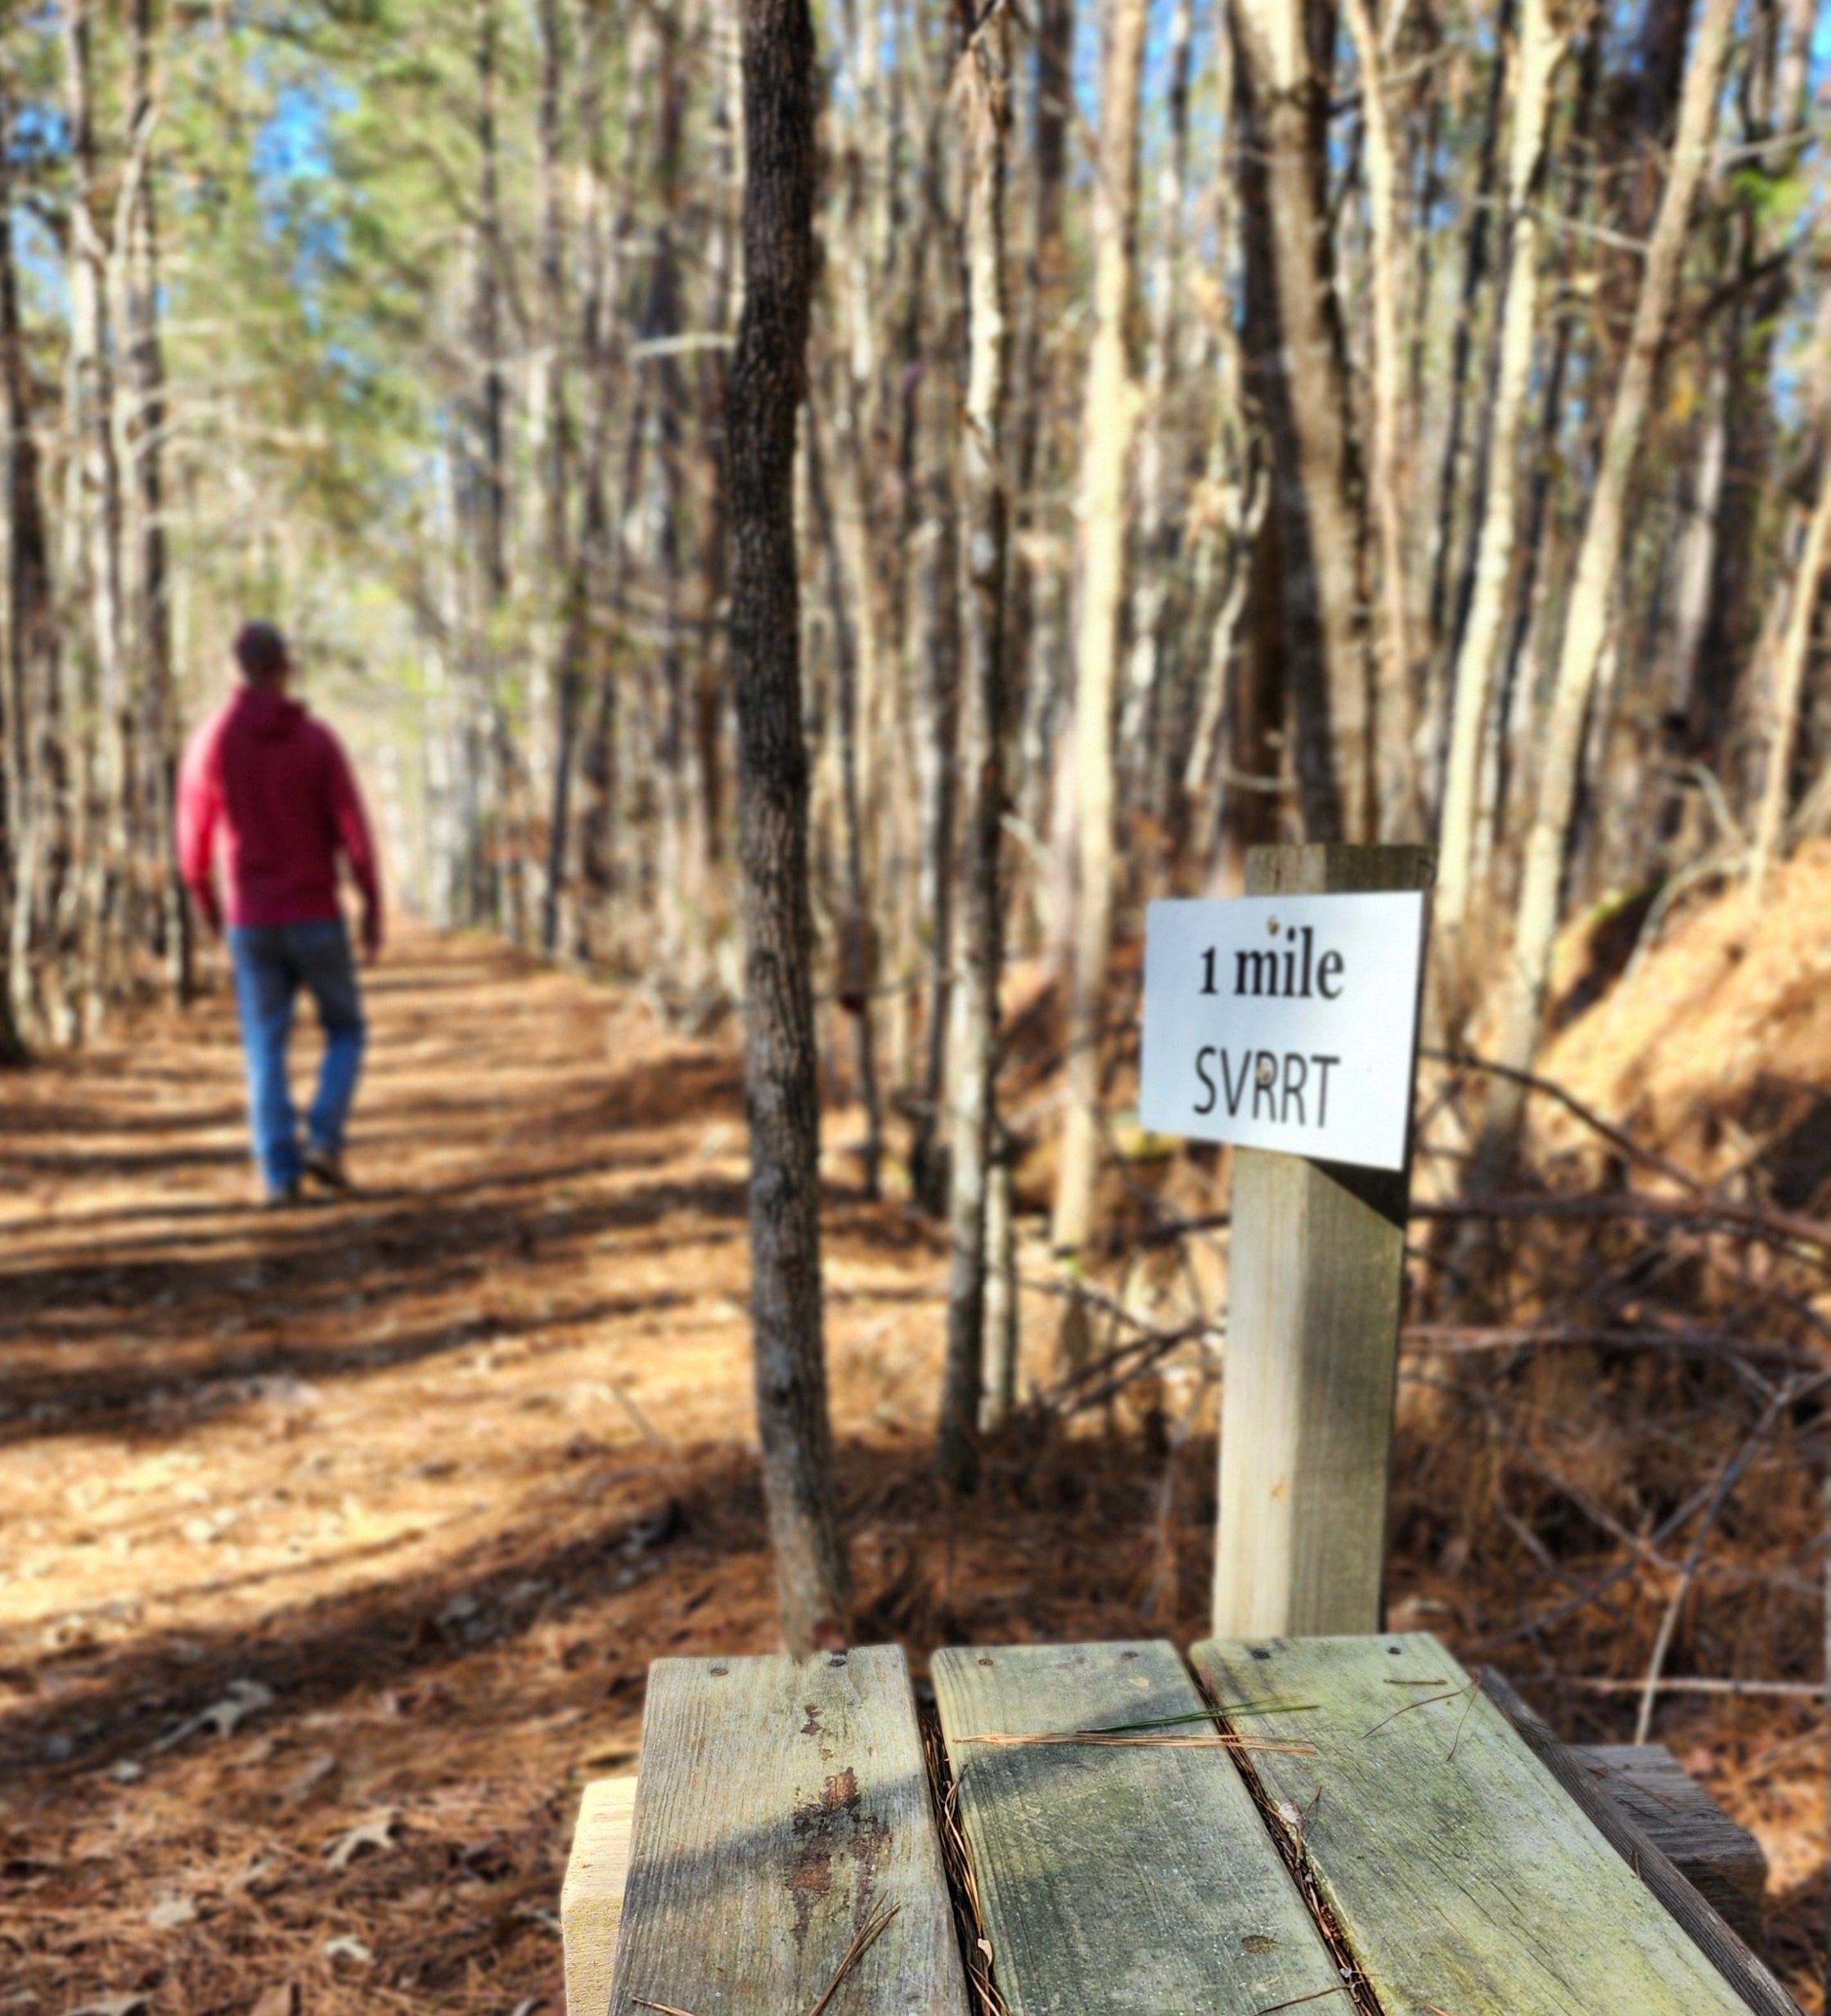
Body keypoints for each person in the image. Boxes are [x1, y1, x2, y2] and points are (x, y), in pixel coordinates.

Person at [177, 621, 382, 1205]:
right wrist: (371, 906)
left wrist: (212, 912)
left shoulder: (211, 742)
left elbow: (191, 847)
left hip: (253, 919)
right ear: (285, 670)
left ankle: (279, 1175)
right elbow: (354, 832)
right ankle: (324, 1137)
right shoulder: (316, 741)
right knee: (346, 1029)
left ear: (233, 671)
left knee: (265, 1044)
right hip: (316, 913)